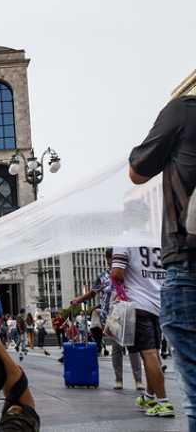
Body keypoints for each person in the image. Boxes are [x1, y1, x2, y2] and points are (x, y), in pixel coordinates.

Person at [129, 94, 196, 430]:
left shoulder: (185, 110)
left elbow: (137, 171)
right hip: (160, 295)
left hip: (184, 265)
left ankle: (158, 399)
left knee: (192, 387)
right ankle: (155, 397)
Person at [112, 246, 174, 417]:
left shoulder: (125, 241)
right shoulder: (156, 240)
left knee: (148, 354)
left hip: (138, 304)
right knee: (153, 354)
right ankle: (149, 396)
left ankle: (163, 402)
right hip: (158, 302)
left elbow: (117, 273)